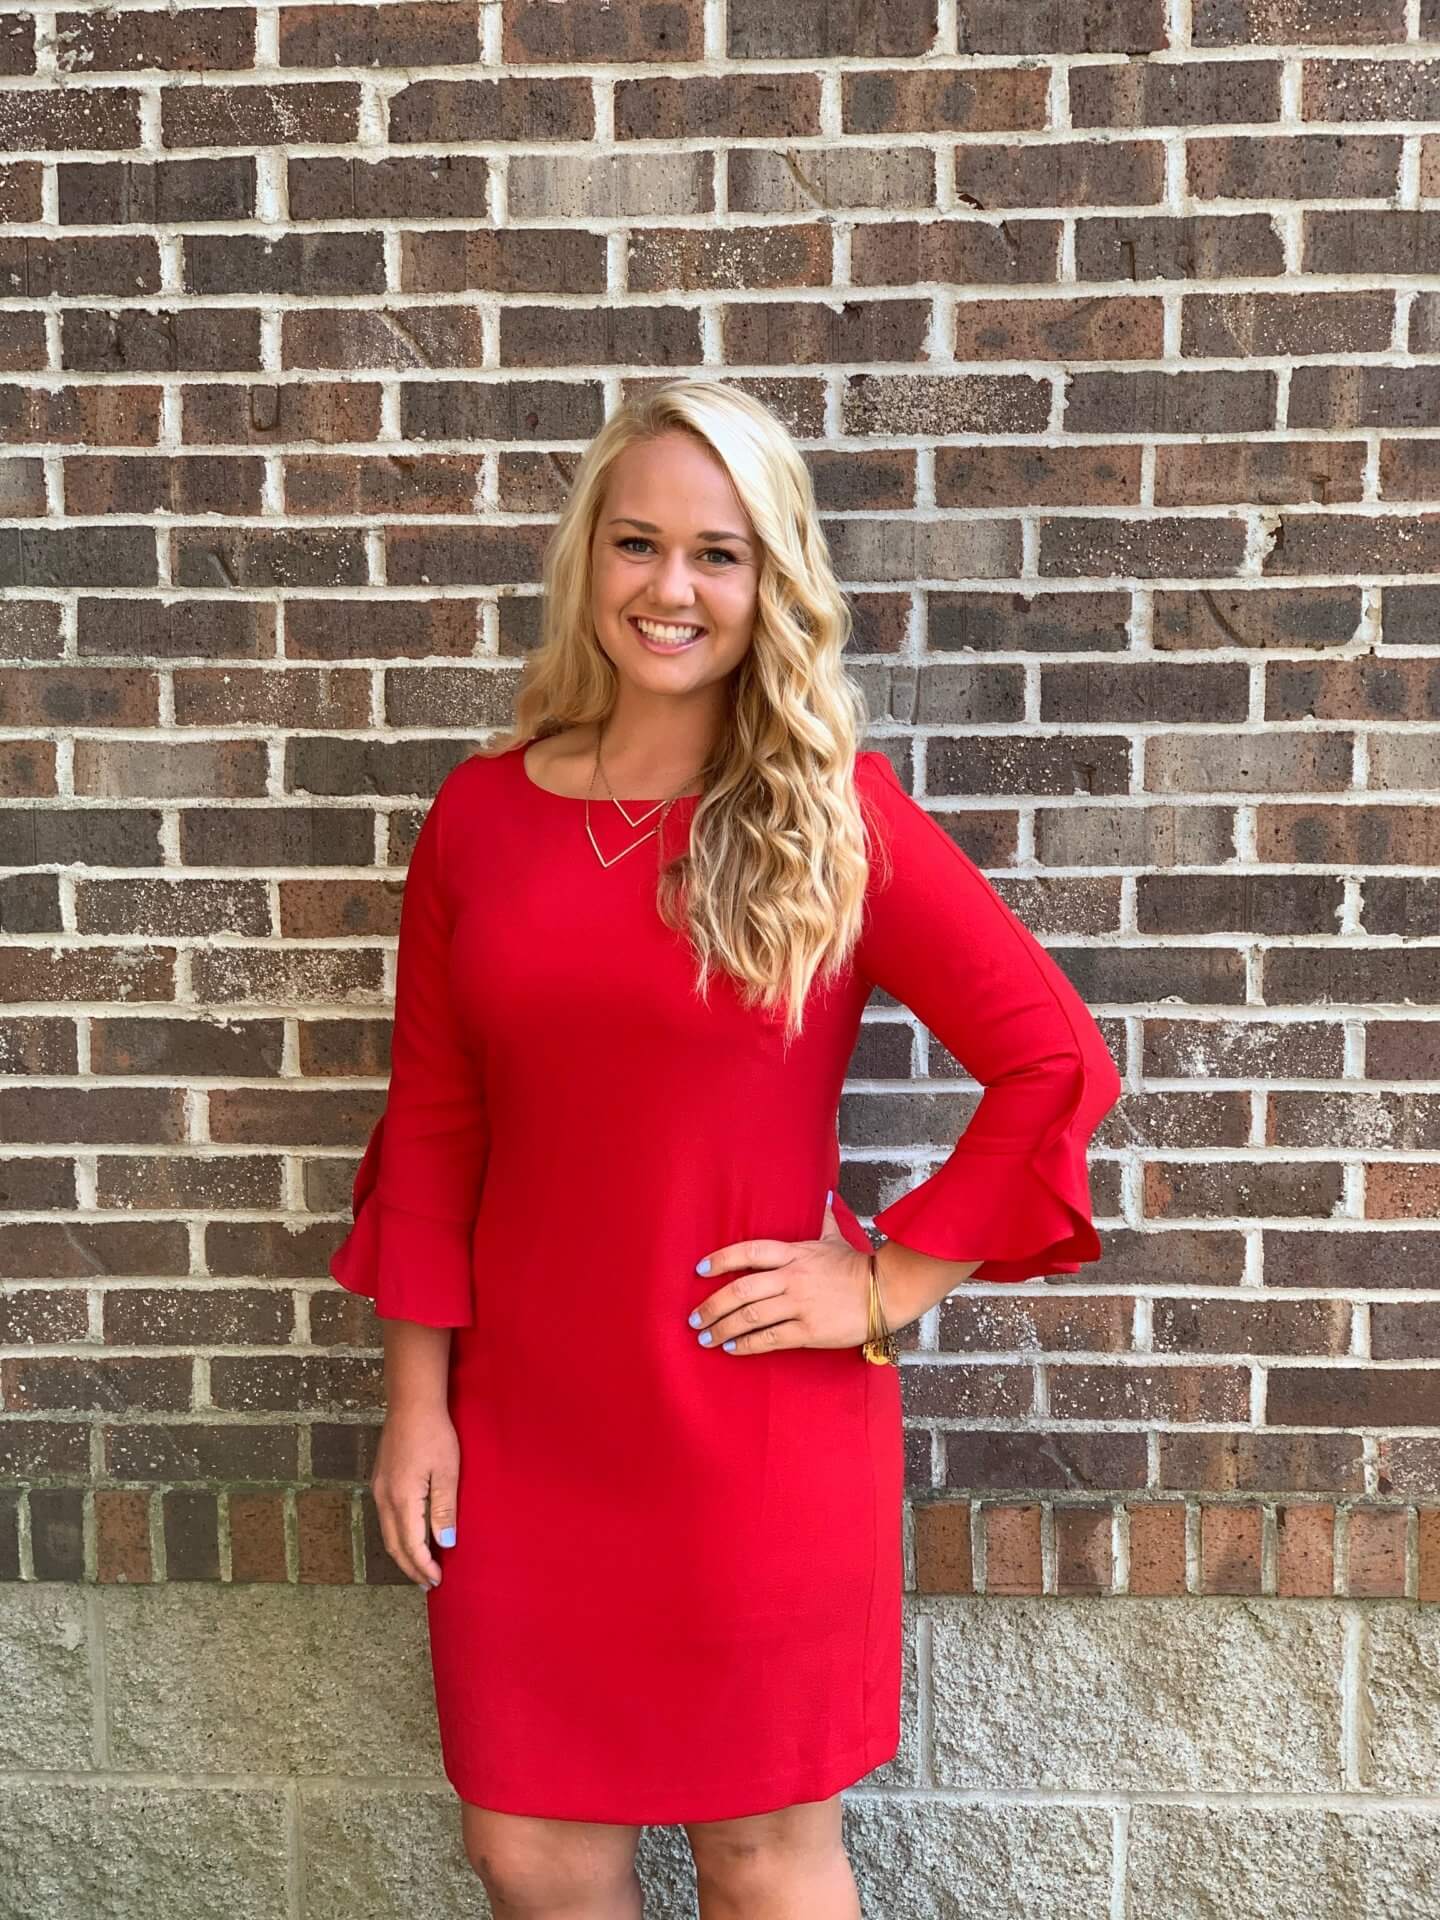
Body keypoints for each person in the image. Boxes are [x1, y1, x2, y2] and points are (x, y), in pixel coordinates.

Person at [328, 377, 1122, 1918]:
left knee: (761, 1856)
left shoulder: (830, 816)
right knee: (528, 1854)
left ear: (772, 582)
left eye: (719, 553)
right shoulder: (481, 817)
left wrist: (886, 1283)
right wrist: (417, 1403)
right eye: (638, 543)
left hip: (750, 1418)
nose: (671, 588)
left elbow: (1055, 1062)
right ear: (590, 558)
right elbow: (430, 1126)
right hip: (525, 1417)